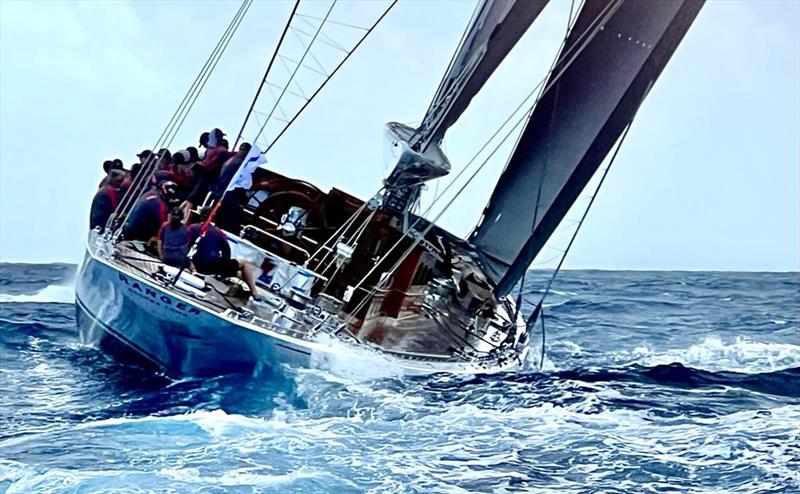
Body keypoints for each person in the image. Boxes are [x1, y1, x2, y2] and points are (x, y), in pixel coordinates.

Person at [187, 216, 260, 300]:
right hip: (213, 266)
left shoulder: (192, 227)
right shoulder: (219, 232)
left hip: (196, 264)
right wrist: (224, 270)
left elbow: (184, 245)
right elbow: (226, 251)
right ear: (213, 218)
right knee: (245, 263)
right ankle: (254, 292)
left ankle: (194, 270)